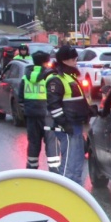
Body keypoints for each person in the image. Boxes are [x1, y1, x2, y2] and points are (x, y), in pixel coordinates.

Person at [46, 45, 93, 184]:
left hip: (75, 125)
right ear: (64, 60)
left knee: (77, 160)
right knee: (69, 164)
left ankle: (75, 190)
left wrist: (89, 111)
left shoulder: (69, 77)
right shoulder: (56, 79)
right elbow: (53, 105)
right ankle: (65, 191)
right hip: (67, 126)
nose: (75, 62)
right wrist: (63, 123)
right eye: (73, 59)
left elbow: (77, 101)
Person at [18, 51, 60, 172]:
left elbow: (20, 97)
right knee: (51, 143)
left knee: (33, 142)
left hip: (31, 115)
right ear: (46, 62)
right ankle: (54, 171)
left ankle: (31, 169)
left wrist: (26, 110)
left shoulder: (26, 76)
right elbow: (54, 94)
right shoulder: (50, 76)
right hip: (47, 116)